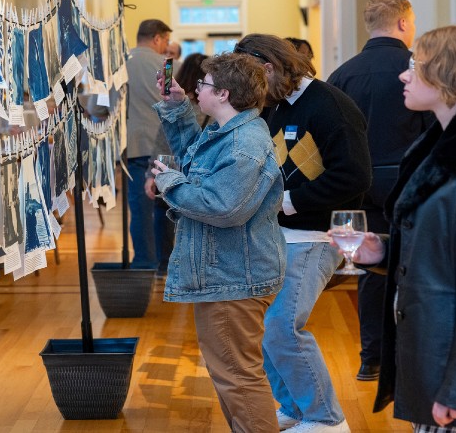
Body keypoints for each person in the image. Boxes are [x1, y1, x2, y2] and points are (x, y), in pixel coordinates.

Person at [342, 24, 456, 431]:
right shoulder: (439, 145)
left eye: (416, 64)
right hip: (430, 352)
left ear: (455, 74)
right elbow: (445, 247)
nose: (404, 73)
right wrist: (381, 251)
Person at [234, 34, 371, 433]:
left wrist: (288, 201)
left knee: (282, 327)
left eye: (255, 82)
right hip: (283, 235)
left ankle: (325, 418)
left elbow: (355, 176)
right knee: (265, 328)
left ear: (270, 69)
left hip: (320, 235)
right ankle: (295, 407)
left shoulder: (330, 106)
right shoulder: (275, 107)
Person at [152, 52, 285, 433]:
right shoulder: (227, 131)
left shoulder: (245, 144)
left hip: (233, 278)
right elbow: (197, 157)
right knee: (231, 375)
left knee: (238, 378)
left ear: (223, 93)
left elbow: (223, 206)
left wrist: (170, 184)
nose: (196, 88)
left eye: (203, 84)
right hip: (225, 273)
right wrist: (177, 106)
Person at [327, 0, 431, 382]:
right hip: (410, 182)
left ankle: (371, 357)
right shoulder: (416, 70)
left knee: (373, 265)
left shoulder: (342, 74)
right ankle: (411, 356)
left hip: (360, 184)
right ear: (404, 23)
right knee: (413, 262)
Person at [145, 52, 210, 277]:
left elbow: (162, 140)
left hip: (171, 170)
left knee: (163, 218)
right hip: (199, 174)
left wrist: (150, 174)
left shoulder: (182, 105)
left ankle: (165, 266)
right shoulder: (207, 107)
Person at [126, 19, 173, 268]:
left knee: (140, 209)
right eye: (165, 41)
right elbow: (171, 103)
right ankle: (165, 262)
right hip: (163, 145)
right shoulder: (164, 65)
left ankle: (144, 262)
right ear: (157, 38)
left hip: (132, 145)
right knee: (165, 207)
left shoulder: (119, 62)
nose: (166, 47)